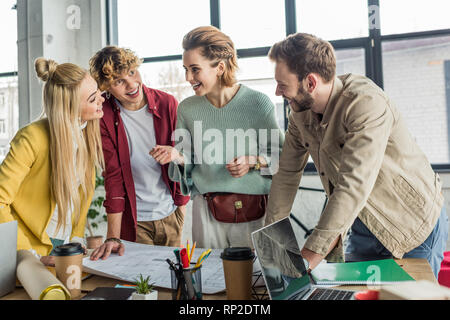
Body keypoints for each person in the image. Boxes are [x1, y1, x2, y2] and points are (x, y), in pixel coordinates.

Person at [265, 32, 449, 278]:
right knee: (350, 294)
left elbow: (353, 185)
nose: (278, 92)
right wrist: (272, 238)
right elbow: (287, 172)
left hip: (410, 227)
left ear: (310, 83)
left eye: (283, 84)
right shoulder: (300, 113)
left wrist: (310, 255)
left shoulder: (365, 103)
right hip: (362, 227)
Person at [150, 26, 285, 249]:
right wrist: (177, 156)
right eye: (185, 69)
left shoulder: (258, 104)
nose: (187, 78)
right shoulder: (187, 109)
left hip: (256, 210)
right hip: (206, 211)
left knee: (257, 278)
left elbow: (282, 157)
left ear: (220, 67)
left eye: (194, 69)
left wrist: (253, 161)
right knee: (212, 278)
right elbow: (188, 163)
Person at [0, 58, 105, 266]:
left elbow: (82, 195)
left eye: (98, 92)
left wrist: (76, 238)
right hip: (28, 250)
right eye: (93, 99)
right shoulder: (32, 138)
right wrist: (28, 253)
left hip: (65, 246)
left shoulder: (86, 133)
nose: (102, 100)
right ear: (70, 107)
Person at [89, 46, 190, 261]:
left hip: (171, 213)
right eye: (119, 81)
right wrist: (113, 237)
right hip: (135, 221)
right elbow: (113, 175)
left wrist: (181, 209)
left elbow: (186, 158)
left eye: (132, 72)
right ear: (106, 87)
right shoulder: (104, 114)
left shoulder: (167, 103)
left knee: (173, 283)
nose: (132, 85)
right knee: (142, 286)